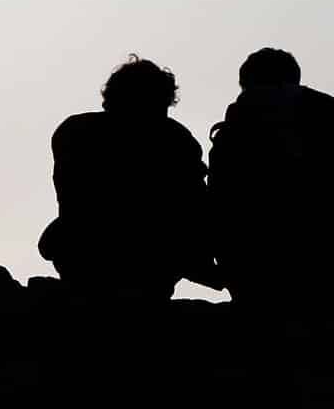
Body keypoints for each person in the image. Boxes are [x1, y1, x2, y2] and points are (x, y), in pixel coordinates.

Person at [205, 48, 334, 326]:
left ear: (246, 84)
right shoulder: (328, 130)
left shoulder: (234, 136)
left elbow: (219, 208)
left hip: (261, 277)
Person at [38, 56, 216, 299]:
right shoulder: (173, 139)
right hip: (147, 260)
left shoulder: (75, 131)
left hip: (82, 257)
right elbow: (196, 202)